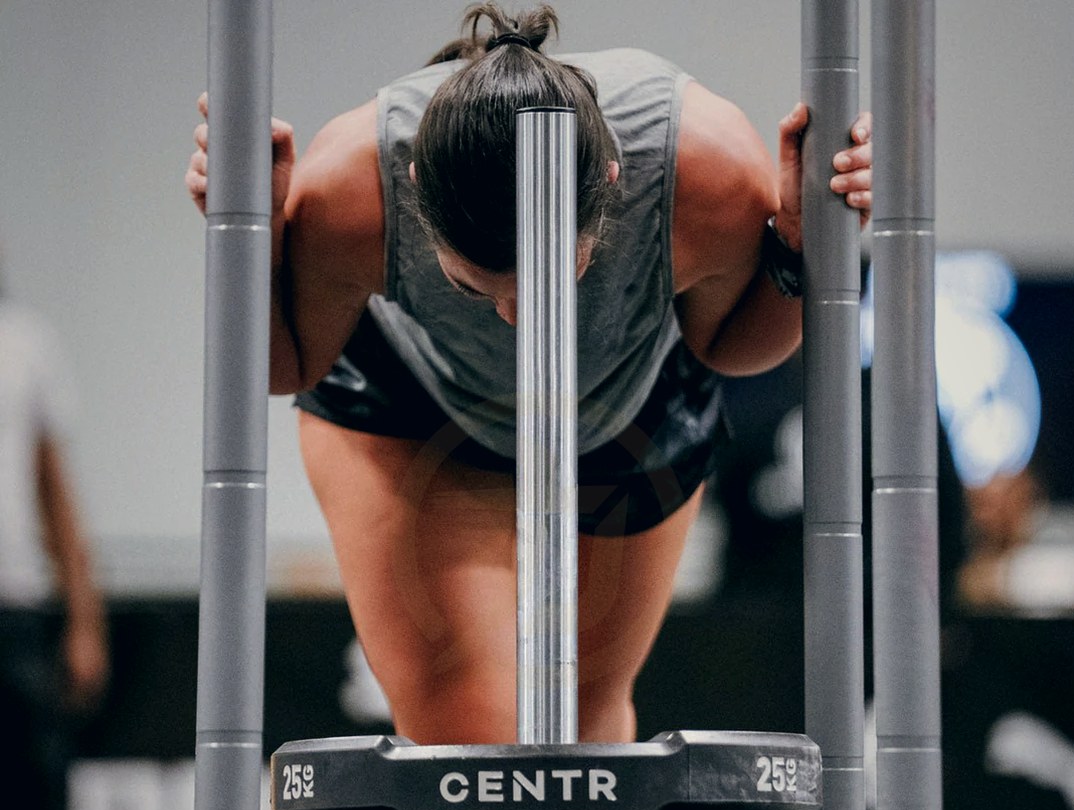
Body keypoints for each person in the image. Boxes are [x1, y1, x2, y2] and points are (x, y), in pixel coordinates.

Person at [185, 3, 872, 750]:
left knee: (584, 748)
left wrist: (801, 251)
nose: (517, 320)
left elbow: (728, 347)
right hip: (415, 405)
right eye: (477, 289)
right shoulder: (353, 188)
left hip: (628, 398)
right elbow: (292, 366)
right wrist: (253, 239)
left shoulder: (705, 171)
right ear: (415, 188)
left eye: (558, 279)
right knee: (467, 738)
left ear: (613, 182)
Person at [0, 253, 111, 810]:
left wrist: (83, 618)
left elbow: (53, 490)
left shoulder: (23, 344)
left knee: (33, 804)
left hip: (15, 613)